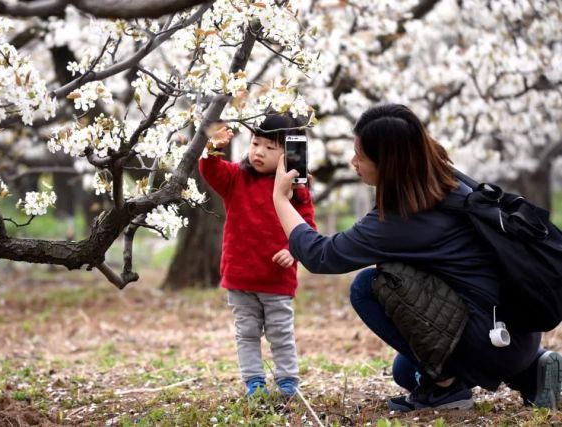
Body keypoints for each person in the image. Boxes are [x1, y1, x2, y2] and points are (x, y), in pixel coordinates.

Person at [271, 103, 562, 411]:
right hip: (516, 333)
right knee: (405, 372)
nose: (352, 161)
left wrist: (279, 199)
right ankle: (532, 369)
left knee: (367, 285)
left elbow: (321, 256)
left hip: (491, 342)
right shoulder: (444, 179)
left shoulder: (401, 218)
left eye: (361, 155)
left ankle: (448, 389)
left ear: (388, 163)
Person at [198, 114, 317, 397]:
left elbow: (308, 227)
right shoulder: (236, 178)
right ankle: (254, 382)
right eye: (255, 143)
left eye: (270, 147)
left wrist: (293, 251)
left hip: (277, 279)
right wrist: (212, 148)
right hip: (240, 276)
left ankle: (287, 381)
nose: (259, 152)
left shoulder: (296, 190)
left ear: (288, 153)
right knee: (247, 333)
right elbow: (209, 170)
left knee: (281, 334)